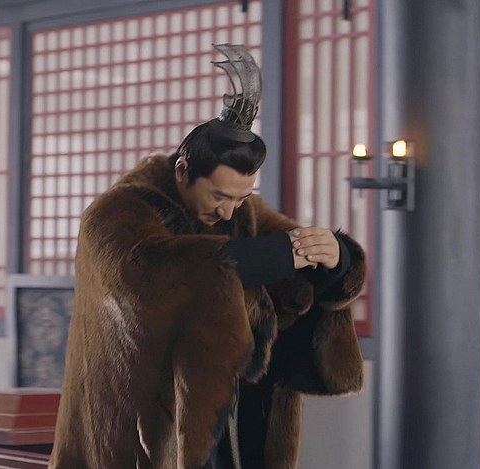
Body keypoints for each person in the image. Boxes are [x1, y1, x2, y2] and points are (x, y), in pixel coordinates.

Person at [49, 44, 366, 469]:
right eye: (219, 196)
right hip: (139, 416)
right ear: (183, 170)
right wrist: (278, 254)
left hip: (227, 415)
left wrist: (335, 256)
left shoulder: (240, 213)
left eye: (242, 198)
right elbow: (158, 275)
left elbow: (288, 257)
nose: (229, 212)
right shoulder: (114, 216)